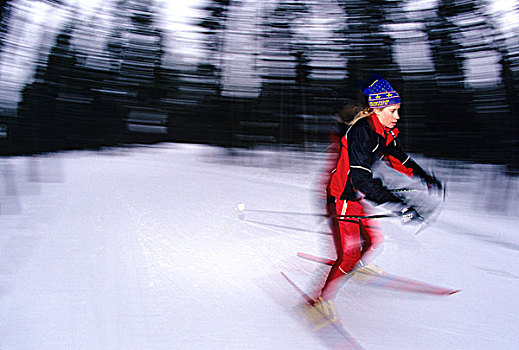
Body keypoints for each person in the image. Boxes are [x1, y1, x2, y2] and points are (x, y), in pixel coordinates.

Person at [312, 75, 442, 322]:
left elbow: (398, 158)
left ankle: (351, 268)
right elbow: (362, 180)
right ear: (377, 109)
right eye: (393, 110)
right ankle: (319, 299)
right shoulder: (361, 134)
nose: (397, 116)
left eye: (398, 110)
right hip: (341, 196)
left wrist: (424, 177)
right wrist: (400, 204)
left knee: (372, 241)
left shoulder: (384, 131)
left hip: (356, 195)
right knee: (348, 253)